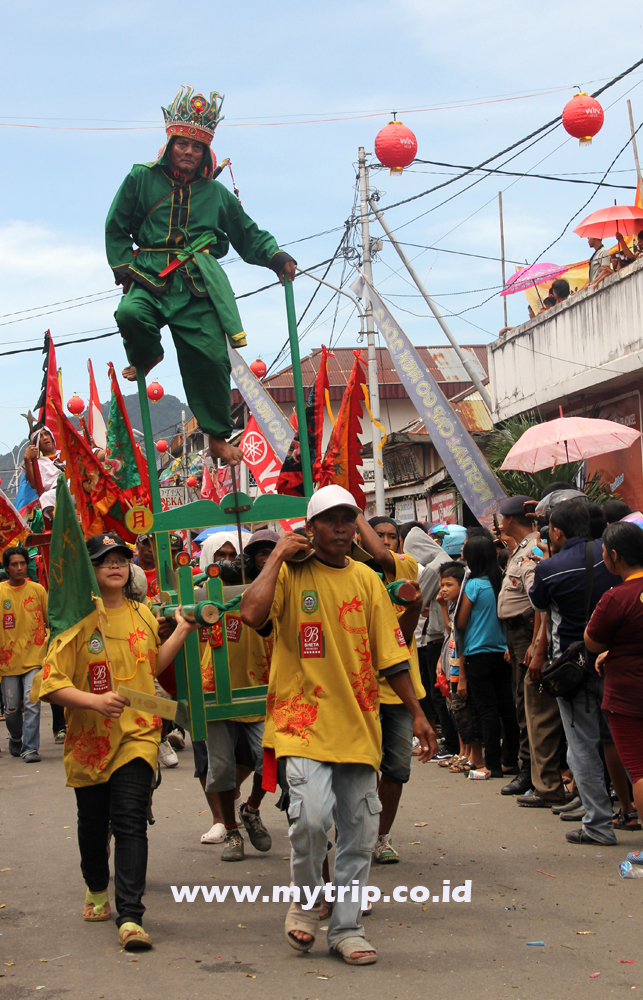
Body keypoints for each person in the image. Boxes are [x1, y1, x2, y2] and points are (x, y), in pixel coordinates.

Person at [240, 485, 435, 966]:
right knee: (308, 820)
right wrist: (277, 557)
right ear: (310, 528)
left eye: (349, 518)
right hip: (300, 722)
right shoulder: (289, 574)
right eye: (330, 519)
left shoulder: (368, 581)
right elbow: (250, 613)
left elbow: (391, 656)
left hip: (359, 725)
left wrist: (417, 712)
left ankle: (347, 928)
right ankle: (307, 905)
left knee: (358, 832)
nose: (342, 527)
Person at [105, 85, 296, 466]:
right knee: (129, 315)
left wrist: (275, 257)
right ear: (171, 143)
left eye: (197, 147)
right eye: (183, 144)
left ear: (205, 151)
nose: (189, 152)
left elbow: (247, 233)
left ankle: (216, 437)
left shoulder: (217, 194)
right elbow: (115, 226)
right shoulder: (140, 179)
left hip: (198, 282)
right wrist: (124, 265)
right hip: (150, 275)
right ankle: (148, 353)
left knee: (210, 357)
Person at [37, 532, 199, 950]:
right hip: (89, 742)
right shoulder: (77, 620)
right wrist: (92, 700)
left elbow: (154, 662)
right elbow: (50, 684)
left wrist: (181, 630)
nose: (115, 565)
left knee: (129, 820)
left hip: (139, 735)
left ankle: (131, 916)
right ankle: (95, 886)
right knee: (93, 826)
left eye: (121, 559)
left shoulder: (143, 615)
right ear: (88, 571)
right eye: (104, 559)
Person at [529, 501, 621, 845]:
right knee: (624, 741)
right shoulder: (612, 555)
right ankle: (625, 809)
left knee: (582, 746)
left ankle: (598, 824)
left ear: (556, 531)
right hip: (617, 660)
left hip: (573, 667)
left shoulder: (549, 568)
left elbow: (539, 606)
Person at [357, 514, 427, 865]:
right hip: (360, 692)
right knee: (361, 769)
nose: (385, 542)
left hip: (400, 691)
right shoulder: (354, 574)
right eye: (377, 535)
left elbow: (401, 635)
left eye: (391, 536)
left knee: (397, 769)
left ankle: (380, 838)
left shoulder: (405, 567)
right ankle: (360, 833)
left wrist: (353, 509)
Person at [204, 528, 277, 861]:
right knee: (220, 769)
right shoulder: (211, 590)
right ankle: (232, 831)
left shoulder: (281, 588)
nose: (265, 559)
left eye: (271, 553)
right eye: (259, 553)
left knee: (272, 762)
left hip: (263, 688)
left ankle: (252, 809)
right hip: (216, 689)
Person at [585, 521, 643, 837]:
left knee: (639, 769)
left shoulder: (617, 597)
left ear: (614, 557)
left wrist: (609, 650)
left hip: (628, 691)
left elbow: (593, 642)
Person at [456, 532, 520, 779]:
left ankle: (491, 763)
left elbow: (461, 622)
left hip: (477, 653)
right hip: (503, 652)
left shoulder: (473, 585)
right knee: (507, 708)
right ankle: (510, 759)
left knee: (487, 710)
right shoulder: (502, 581)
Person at [403, 524, 459, 765]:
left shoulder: (433, 569)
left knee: (440, 692)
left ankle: (451, 742)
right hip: (442, 632)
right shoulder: (447, 562)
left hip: (438, 634)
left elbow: (417, 601)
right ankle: (454, 741)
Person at [496, 496, 539, 796]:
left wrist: (535, 642)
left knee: (528, 703)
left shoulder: (532, 550)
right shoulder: (520, 549)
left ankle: (530, 771)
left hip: (527, 631)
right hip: (517, 634)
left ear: (509, 520)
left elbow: (539, 602)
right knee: (521, 701)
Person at [0, 546, 48, 762]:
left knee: (32, 702)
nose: (19, 568)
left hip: (34, 658)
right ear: (7, 568)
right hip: (7, 661)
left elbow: (49, 621)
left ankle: (30, 748)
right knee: (11, 709)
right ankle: (16, 737)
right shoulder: (1, 592)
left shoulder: (38, 590)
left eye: (22, 563)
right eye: (14, 564)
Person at [437, 561, 485, 773]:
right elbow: (450, 631)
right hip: (451, 663)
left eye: (449, 584)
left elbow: (460, 634)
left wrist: (463, 675)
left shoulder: (464, 607)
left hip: (461, 666)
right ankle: (463, 752)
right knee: (456, 710)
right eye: (441, 585)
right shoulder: (452, 606)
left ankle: (473, 756)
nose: (444, 589)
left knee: (466, 711)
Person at [23, 428, 65, 515]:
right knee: (44, 498)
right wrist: (27, 460)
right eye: (41, 436)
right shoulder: (37, 463)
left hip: (74, 485)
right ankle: (62, 524)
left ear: (52, 438)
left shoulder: (65, 453)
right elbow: (34, 484)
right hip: (57, 492)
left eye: (46, 434)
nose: (45, 438)